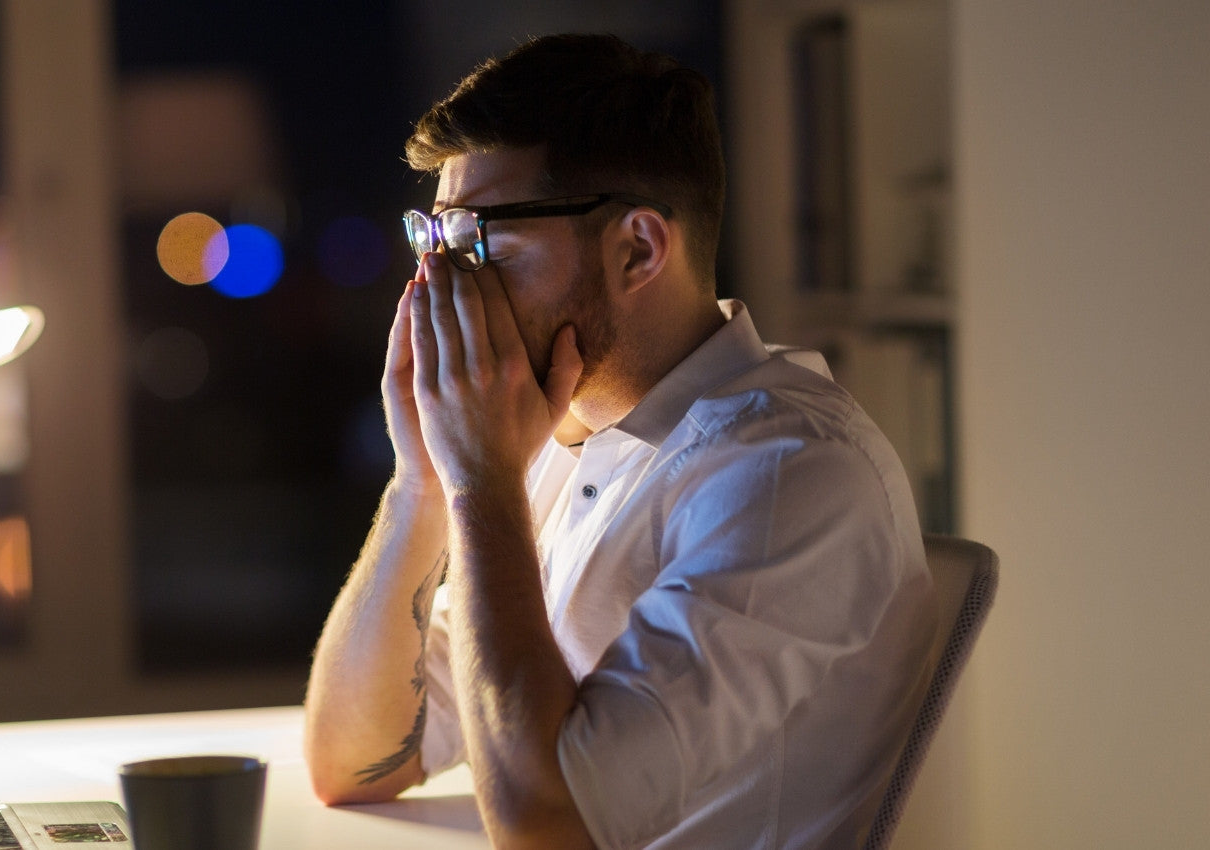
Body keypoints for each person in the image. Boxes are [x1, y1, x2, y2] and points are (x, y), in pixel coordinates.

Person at [303, 33, 936, 850]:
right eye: (434, 239)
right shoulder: (559, 442)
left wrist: (480, 485)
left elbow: (546, 829)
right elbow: (353, 763)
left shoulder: (789, 474)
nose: (438, 282)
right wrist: (421, 481)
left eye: (476, 240)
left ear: (637, 248)